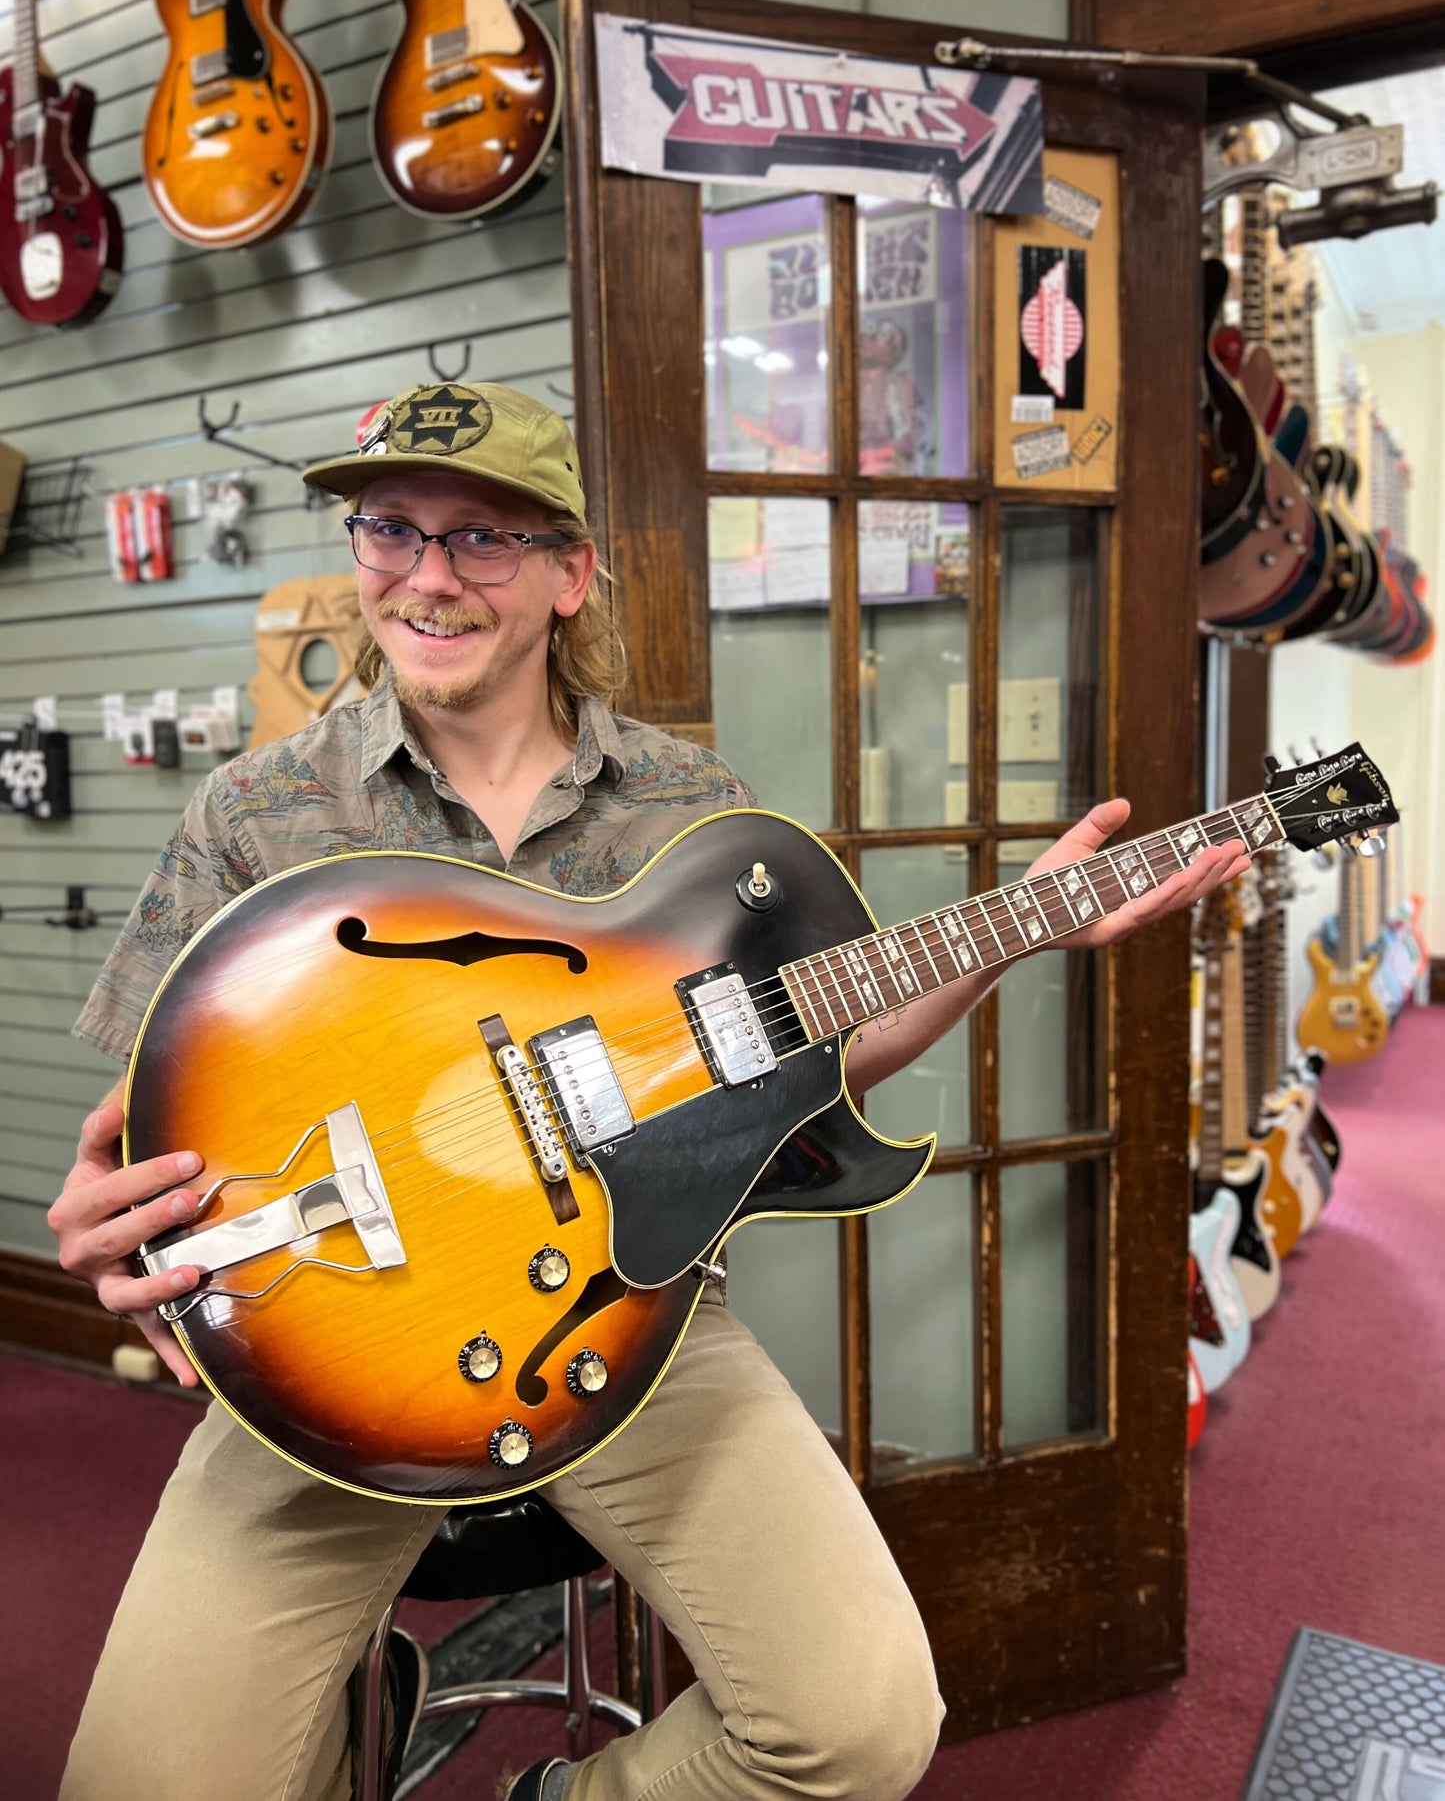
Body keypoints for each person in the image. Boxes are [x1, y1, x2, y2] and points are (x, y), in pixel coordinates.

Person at [48, 381, 1248, 1801]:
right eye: (391, 529)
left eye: (484, 540)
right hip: (339, 1351)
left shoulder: (687, 814)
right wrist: (114, 1229)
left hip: (625, 1316)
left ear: (569, 575)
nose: (427, 576)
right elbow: (148, 1122)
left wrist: (1019, 928)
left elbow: (812, 1053)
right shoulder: (255, 812)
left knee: (857, 1722)